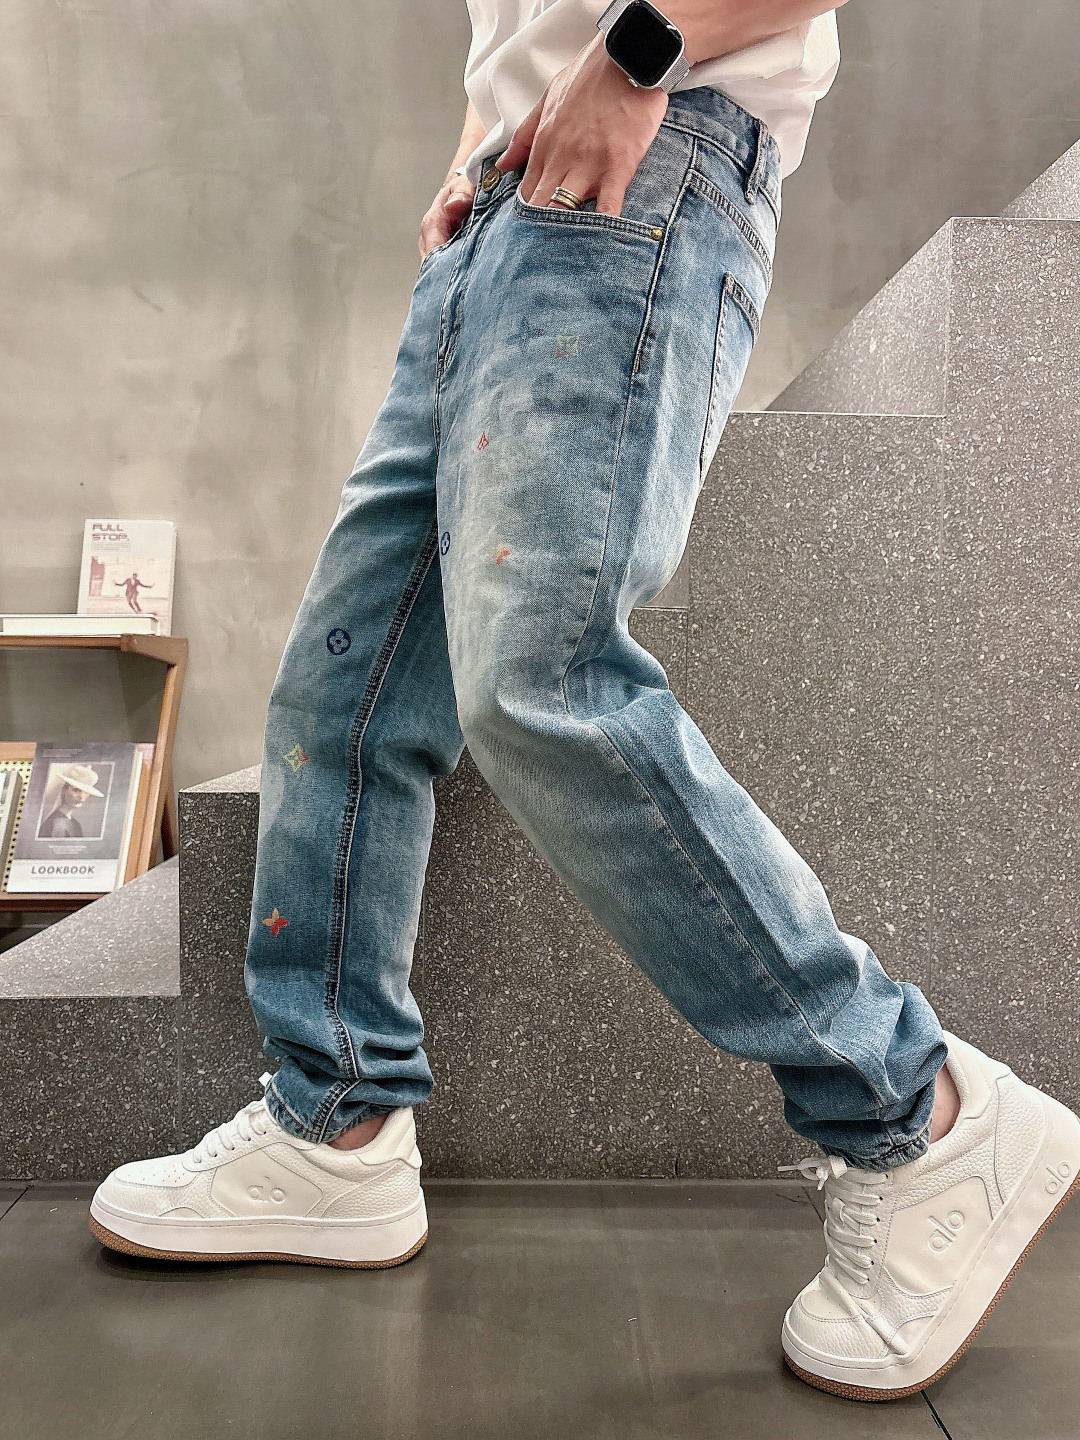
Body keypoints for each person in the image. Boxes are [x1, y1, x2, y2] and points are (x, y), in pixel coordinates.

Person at [89, 0, 1080, 1401]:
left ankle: (914, 1109)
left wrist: (637, 51)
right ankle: (337, 1130)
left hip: (647, 153)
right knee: (339, 698)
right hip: (509, 203)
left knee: (541, 680)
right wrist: (474, 147)